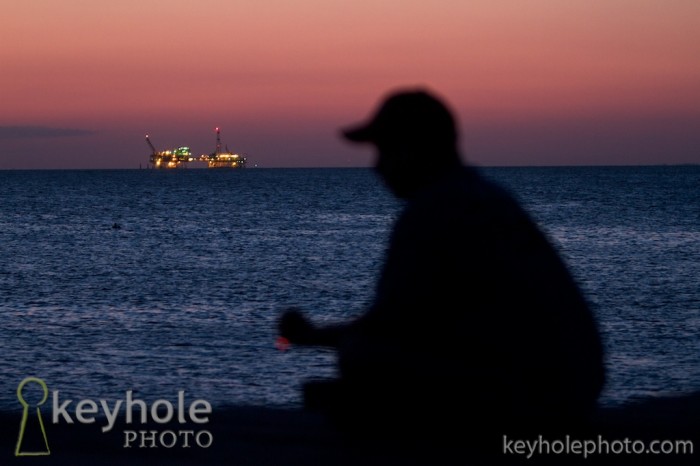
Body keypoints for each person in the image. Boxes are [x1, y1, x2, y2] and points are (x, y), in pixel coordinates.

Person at [278, 88, 605, 446]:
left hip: (532, 399)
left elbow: (388, 325)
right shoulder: (489, 198)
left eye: (384, 151)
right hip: (575, 385)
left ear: (409, 151)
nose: (376, 166)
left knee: (362, 356)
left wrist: (311, 336)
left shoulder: (432, 212)